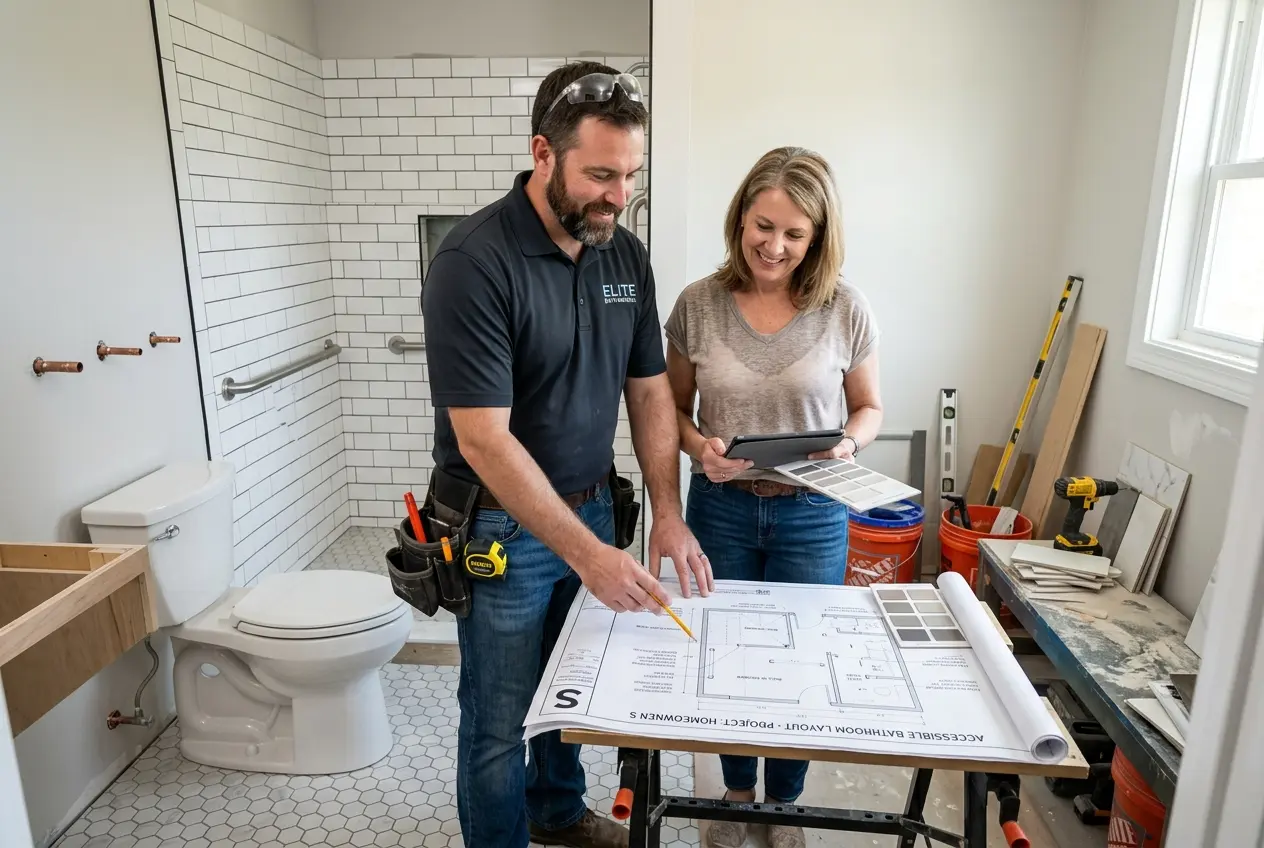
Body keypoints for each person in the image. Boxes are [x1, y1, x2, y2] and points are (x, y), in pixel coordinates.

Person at [420, 62, 713, 848]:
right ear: (541, 152)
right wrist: (591, 557)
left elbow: (650, 392)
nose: (617, 195)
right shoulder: (473, 263)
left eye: (629, 175)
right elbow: (483, 437)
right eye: (599, 175)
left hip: (590, 501)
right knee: (499, 717)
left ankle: (555, 812)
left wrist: (668, 516)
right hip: (500, 533)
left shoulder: (624, 255)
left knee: (568, 693)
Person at [663, 146, 884, 848]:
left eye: (795, 234)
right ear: (740, 219)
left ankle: (783, 807)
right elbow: (666, 409)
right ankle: (735, 797)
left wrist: (848, 445)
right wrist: (701, 449)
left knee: (798, 665)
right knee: (728, 656)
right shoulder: (698, 304)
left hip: (814, 514)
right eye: (764, 226)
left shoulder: (845, 306)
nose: (775, 246)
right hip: (721, 509)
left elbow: (870, 408)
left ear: (818, 235)